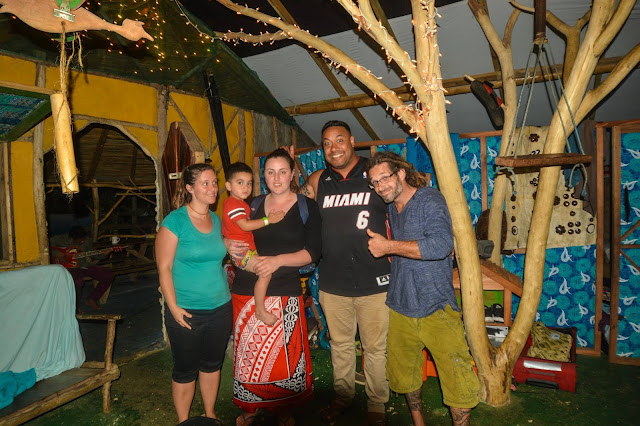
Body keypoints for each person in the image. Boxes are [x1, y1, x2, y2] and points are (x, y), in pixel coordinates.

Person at [365, 152, 479, 426]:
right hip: (400, 304)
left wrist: (388, 246)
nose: (380, 186)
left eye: (384, 178)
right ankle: (418, 422)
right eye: (374, 182)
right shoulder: (392, 207)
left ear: (401, 173)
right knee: (405, 374)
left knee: (457, 378)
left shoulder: (429, 199)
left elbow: (441, 245)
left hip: (436, 305)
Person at [299, 120, 390, 425]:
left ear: (352, 140)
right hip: (333, 280)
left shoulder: (373, 172)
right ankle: (343, 396)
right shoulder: (318, 180)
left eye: (339, 140)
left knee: (375, 348)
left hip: (375, 279)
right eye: (326, 143)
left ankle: (376, 404)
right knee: (340, 345)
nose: (333, 148)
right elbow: (294, 205)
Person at [232, 148, 322, 426]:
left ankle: (284, 407)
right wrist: (231, 248)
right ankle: (250, 407)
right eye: (270, 172)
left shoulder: (307, 207)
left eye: (283, 171)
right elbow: (232, 234)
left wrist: (277, 261)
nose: (277, 177)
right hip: (247, 290)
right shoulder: (253, 205)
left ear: (292, 174)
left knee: (283, 357)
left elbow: (313, 252)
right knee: (249, 356)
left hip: (285, 290)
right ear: (264, 175)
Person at [155, 163, 232, 423]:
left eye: (214, 183)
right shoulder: (175, 222)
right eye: (205, 183)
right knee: (185, 369)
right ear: (190, 188)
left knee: (212, 365)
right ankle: (184, 421)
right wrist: (173, 308)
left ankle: (210, 415)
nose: (213, 188)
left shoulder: (216, 219)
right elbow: (164, 268)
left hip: (220, 307)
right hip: (186, 310)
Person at [222, 162, 285, 326]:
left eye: (249, 183)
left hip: (246, 250)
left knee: (266, 267)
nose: (246, 187)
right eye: (240, 182)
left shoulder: (241, 204)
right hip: (241, 252)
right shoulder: (232, 203)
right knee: (265, 272)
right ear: (228, 186)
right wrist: (268, 220)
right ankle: (260, 309)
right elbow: (245, 225)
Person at [50, 225, 114, 311]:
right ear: (71, 238)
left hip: (84, 266)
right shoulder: (60, 239)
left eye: (83, 239)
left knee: (108, 275)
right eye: (80, 240)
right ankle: (75, 307)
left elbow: (93, 254)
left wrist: (104, 254)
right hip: (68, 268)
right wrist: (57, 253)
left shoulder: (87, 240)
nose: (83, 241)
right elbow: (45, 247)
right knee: (77, 282)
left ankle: (91, 299)